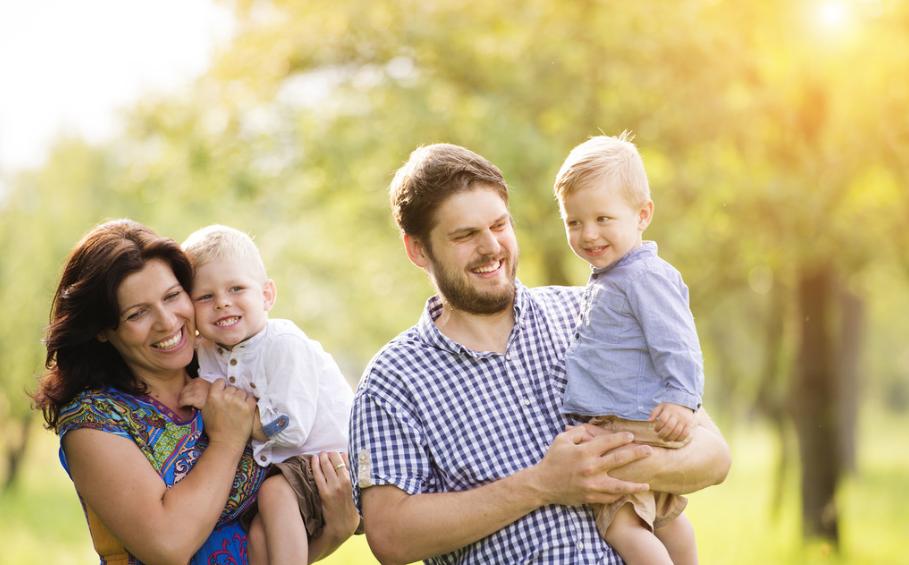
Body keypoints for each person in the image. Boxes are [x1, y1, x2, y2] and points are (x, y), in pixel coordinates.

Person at [348, 143, 731, 564]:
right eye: (465, 235)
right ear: (418, 250)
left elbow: (713, 456)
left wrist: (620, 467)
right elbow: (390, 536)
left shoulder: (590, 313)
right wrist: (542, 484)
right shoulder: (393, 380)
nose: (491, 247)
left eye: (499, 225)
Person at [33, 219, 354, 564]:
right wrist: (228, 440)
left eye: (172, 296)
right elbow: (167, 546)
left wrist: (335, 532)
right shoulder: (95, 420)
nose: (168, 322)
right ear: (102, 330)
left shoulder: (224, 371)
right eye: (138, 313)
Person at [555, 132, 703, 564]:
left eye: (603, 218)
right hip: (633, 421)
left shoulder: (642, 276)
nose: (588, 234)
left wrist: (681, 399)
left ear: (642, 215)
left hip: (631, 425)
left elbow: (677, 341)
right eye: (574, 222)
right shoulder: (616, 276)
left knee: (623, 524)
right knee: (666, 517)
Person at [179, 224, 358, 565]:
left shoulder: (283, 346)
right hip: (293, 469)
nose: (222, 303)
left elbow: (289, 427)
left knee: (274, 494)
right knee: (260, 537)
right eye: (205, 296)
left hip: (333, 465)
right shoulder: (207, 349)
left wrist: (220, 405)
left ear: (267, 295)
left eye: (236, 288)